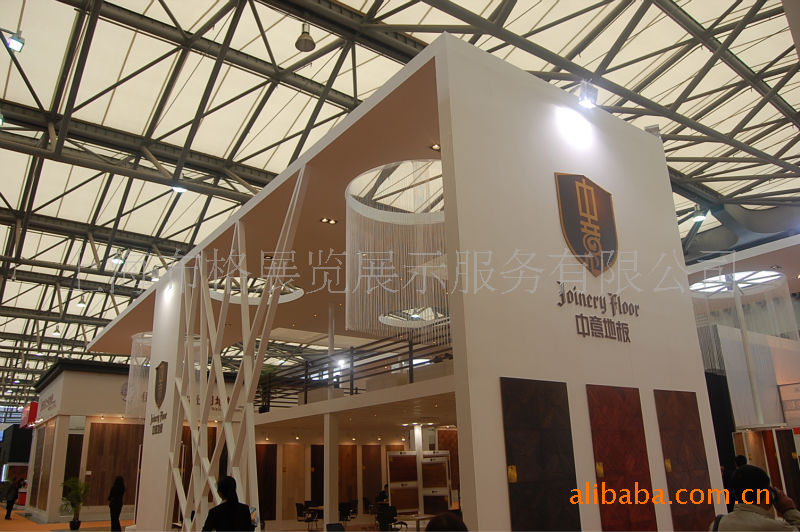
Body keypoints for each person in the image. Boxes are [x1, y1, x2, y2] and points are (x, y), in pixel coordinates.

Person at [711, 464, 800, 530]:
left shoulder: (717, 525)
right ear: (767, 493)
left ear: (734, 495)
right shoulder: (775, 527)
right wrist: (789, 509)